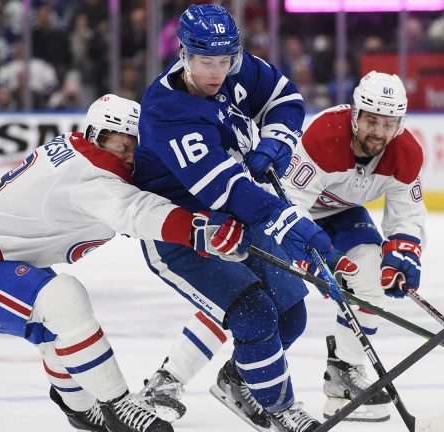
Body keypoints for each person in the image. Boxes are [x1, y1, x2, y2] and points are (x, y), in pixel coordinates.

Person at [0, 94, 249, 432]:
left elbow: (127, 198)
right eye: (119, 145)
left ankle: (81, 410)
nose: (127, 157)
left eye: (133, 148)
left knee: (53, 333)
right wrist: (198, 229)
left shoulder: (78, 150)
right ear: (96, 135)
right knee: (64, 299)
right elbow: (133, 210)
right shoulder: (91, 174)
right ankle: (119, 405)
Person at [141, 71, 426, 423]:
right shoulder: (325, 137)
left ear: (400, 124)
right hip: (289, 213)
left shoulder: (407, 153)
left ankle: (343, 375)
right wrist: (309, 260)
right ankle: (170, 377)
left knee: (368, 277)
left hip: (341, 213)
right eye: (371, 120)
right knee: (243, 294)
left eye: (388, 124)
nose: (378, 133)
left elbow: (406, 215)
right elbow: (289, 201)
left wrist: (401, 254)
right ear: (356, 114)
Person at [133, 4, 355, 432]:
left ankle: (239, 381)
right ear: (183, 54)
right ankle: (281, 408)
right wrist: (290, 224)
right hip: (186, 231)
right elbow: (227, 189)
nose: (217, 72)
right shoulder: (167, 111)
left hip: (237, 213)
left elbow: (285, 98)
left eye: (224, 61)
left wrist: (277, 140)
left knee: (292, 313)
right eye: (205, 62)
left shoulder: (233, 67)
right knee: (254, 313)